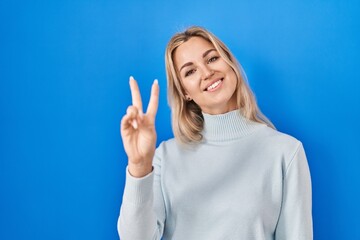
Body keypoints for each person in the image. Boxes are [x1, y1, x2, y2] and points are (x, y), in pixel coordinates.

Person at [118, 26, 313, 240]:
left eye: (211, 59)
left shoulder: (285, 152)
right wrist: (138, 166)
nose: (207, 73)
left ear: (229, 63)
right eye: (190, 71)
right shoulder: (165, 157)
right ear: (184, 92)